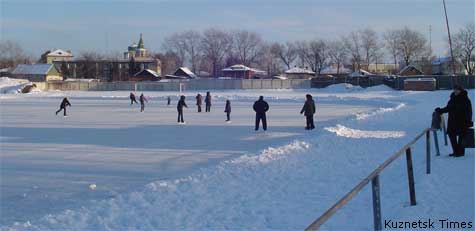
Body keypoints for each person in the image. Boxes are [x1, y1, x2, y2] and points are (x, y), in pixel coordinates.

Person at [435, 85, 473, 157]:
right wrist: (440, 110)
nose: (455, 91)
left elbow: (469, 111)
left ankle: (461, 152)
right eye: (454, 89)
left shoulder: (465, 99)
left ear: (460, 90)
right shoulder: (452, 98)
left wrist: (469, 120)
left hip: (462, 121)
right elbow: (448, 108)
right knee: (451, 135)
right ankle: (455, 151)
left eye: (457, 90)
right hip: (452, 120)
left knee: (462, 136)